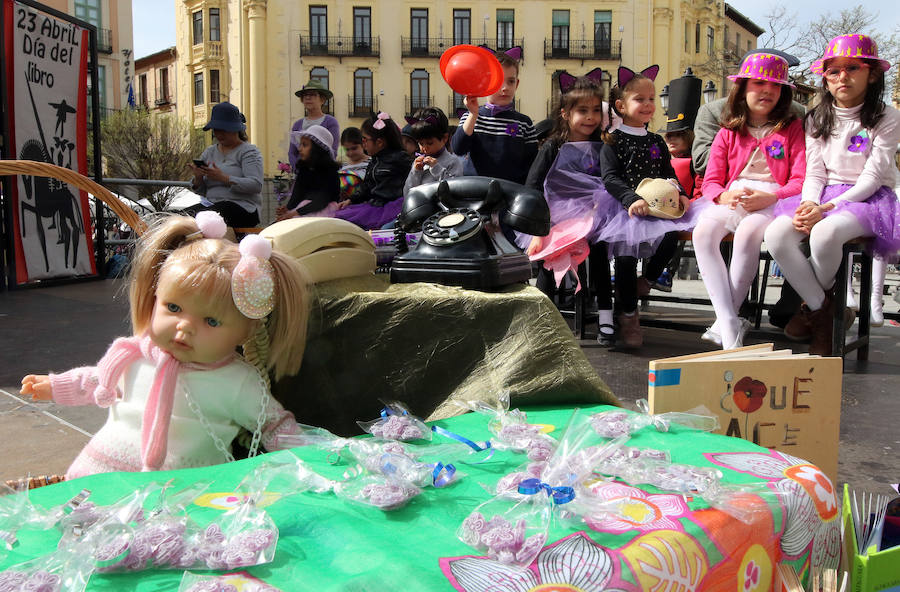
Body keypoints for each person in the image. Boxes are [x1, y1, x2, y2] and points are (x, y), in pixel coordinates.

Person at [20, 211, 310, 478]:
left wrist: (306, 458)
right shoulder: (134, 355)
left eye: (211, 321)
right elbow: (96, 379)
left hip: (183, 493)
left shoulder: (237, 382)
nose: (184, 326)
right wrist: (56, 386)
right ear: (154, 296)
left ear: (247, 331)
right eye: (173, 307)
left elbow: (275, 424)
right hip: (99, 474)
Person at [764, 34, 900, 355]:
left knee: (823, 234)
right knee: (776, 235)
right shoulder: (815, 118)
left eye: (852, 68)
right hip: (823, 195)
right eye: (833, 71)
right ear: (824, 78)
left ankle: (811, 311)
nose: (842, 77)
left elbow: (872, 176)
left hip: (869, 199)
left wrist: (826, 208)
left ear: (873, 73)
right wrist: (810, 202)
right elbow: (815, 171)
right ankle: (824, 310)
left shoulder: (888, 117)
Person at [692, 53, 806, 350]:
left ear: (784, 92)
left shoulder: (792, 128)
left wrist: (772, 195)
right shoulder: (729, 130)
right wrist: (723, 195)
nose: (767, 90)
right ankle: (729, 319)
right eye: (758, 83)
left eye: (775, 85)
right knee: (702, 233)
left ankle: (727, 327)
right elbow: (712, 180)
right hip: (733, 197)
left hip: (774, 200)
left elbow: (800, 178)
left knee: (747, 235)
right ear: (742, 88)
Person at [598, 65, 703, 348]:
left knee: (671, 237)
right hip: (626, 209)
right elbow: (610, 178)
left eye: (651, 99)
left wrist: (680, 192)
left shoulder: (657, 140)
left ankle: (649, 279)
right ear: (621, 105)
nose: (647, 105)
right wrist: (632, 200)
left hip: (658, 208)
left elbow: (668, 171)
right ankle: (629, 316)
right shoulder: (612, 140)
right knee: (625, 257)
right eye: (639, 99)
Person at [521, 69, 618, 345]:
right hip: (556, 216)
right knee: (550, 258)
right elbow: (533, 186)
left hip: (595, 213)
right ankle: (539, 319)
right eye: (582, 110)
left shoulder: (604, 145)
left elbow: (610, 179)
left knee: (599, 254)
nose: (590, 117)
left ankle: (606, 317)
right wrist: (539, 229)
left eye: (595, 111)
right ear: (565, 113)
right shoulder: (552, 146)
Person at [450, 47, 538, 184]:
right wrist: (473, 114)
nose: (505, 88)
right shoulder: (471, 117)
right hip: (476, 191)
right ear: (485, 82)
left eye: (510, 81)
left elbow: (533, 165)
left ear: (517, 84)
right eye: (499, 80)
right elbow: (458, 149)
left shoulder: (524, 123)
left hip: (511, 194)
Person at [189, 102, 264, 228]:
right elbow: (201, 191)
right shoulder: (209, 152)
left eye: (224, 130)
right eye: (216, 130)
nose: (219, 134)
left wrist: (224, 178)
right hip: (211, 204)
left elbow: (255, 185)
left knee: (211, 215)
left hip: (242, 208)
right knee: (178, 217)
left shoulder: (249, 151)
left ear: (235, 129)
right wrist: (198, 178)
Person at [336, 112, 413, 230]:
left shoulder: (401, 158)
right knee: (338, 218)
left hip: (392, 207)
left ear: (380, 142)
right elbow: (367, 186)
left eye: (365, 140)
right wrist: (351, 200)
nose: (363, 143)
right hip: (374, 205)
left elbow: (413, 182)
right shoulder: (374, 160)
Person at [276, 125, 340, 221]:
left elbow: (321, 201)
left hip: (324, 213)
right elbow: (297, 195)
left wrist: (293, 213)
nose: (299, 149)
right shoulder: (304, 169)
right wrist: (287, 208)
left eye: (305, 145)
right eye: (300, 144)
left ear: (317, 149)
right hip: (303, 211)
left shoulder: (329, 171)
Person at [403, 107, 464, 196]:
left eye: (429, 143)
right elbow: (407, 193)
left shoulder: (453, 162)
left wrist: (437, 169)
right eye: (420, 143)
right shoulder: (418, 162)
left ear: (444, 138)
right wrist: (415, 172)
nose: (424, 147)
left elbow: (456, 190)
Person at [288, 80, 340, 170]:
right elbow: (292, 152)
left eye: (312, 94)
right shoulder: (297, 124)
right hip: (301, 174)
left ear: (322, 99)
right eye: (305, 95)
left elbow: (333, 150)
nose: (308, 98)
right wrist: (298, 168)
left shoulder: (330, 122)